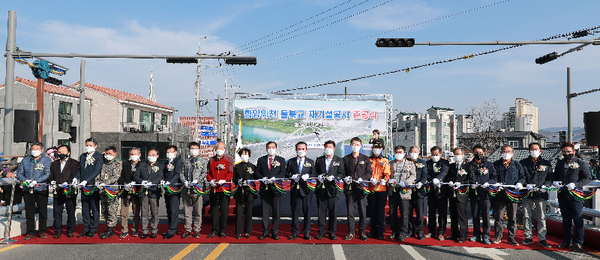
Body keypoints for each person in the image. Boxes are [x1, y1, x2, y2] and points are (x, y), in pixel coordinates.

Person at [555, 142, 592, 252]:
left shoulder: (580, 163)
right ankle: (566, 241)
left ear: (574, 152)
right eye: (564, 152)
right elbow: (556, 175)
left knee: (578, 220)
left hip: (576, 196)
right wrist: (556, 182)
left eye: (569, 152)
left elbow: (588, 178)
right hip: (563, 195)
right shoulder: (560, 163)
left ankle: (578, 243)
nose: (566, 154)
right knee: (566, 220)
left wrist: (576, 184)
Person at [14, 141, 52, 240]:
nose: (34, 151)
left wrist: (36, 181)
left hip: (41, 189)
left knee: (42, 211)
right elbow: (19, 172)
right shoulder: (25, 160)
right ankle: (30, 231)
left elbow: (47, 174)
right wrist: (25, 180)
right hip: (28, 189)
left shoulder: (46, 160)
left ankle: (42, 231)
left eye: (37, 149)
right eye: (33, 149)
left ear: (41, 150)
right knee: (29, 211)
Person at [520, 142, 553, 248]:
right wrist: (524, 184)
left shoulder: (546, 163)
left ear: (540, 150)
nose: (534, 151)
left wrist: (546, 186)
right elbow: (521, 176)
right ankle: (528, 237)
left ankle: (542, 238)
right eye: (532, 149)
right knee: (526, 216)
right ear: (529, 151)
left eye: (536, 149)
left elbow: (550, 178)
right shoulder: (523, 163)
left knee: (542, 216)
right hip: (527, 193)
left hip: (541, 193)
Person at [491, 145, 525, 246]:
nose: (506, 153)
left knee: (513, 217)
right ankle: (498, 236)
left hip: (513, 195)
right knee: (499, 216)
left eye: (509, 151)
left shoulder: (517, 164)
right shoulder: (496, 164)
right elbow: (492, 177)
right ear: (501, 153)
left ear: (512, 153)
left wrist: (520, 183)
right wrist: (495, 183)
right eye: (504, 151)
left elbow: (522, 177)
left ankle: (511, 237)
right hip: (500, 195)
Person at [343, 137, 373, 241]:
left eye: (357, 144)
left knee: (362, 211)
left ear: (360, 146)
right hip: (350, 189)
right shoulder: (345, 159)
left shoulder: (365, 158)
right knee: (350, 212)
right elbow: (342, 173)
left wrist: (363, 179)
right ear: (350, 145)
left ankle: (362, 231)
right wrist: (345, 178)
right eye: (353, 144)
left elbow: (369, 172)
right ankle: (351, 232)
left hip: (361, 188)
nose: (355, 146)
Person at [255, 141, 287, 240]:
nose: (271, 149)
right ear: (266, 149)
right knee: (265, 213)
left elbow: (283, 172)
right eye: (269, 147)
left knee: (276, 212)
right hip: (265, 189)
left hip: (276, 189)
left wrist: (275, 178)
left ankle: (274, 231)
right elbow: (257, 172)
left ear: (276, 149)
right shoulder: (261, 160)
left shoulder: (281, 160)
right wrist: (263, 178)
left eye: (273, 147)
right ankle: (265, 232)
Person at [314, 140, 345, 240]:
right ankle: (321, 231)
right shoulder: (319, 159)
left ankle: (332, 231)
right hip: (321, 189)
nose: (328, 148)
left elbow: (342, 173)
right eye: (326, 146)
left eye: (330, 147)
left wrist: (334, 177)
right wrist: (318, 176)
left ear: (334, 148)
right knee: (321, 212)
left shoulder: (339, 160)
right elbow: (315, 172)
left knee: (333, 212)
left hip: (333, 189)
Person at [286, 141, 317, 240]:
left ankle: (307, 232)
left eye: (303, 149)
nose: (301, 151)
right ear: (296, 150)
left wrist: (308, 176)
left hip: (307, 189)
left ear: (306, 150)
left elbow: (314, 174)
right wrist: (292, 176)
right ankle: (295, 231)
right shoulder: (291, 161)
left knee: (307, 211)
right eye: (299, 149)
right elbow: (286, 174)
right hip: (295, 189)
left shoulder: (311, 161)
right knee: (295, 211)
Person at [76, 138, 104, 238]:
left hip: (93, 185)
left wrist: (87, 180)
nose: (88, 147)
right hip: (83, 186)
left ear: (95, 146)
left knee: (94, 207)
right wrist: (76, 178)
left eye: (90, 145)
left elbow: (97, 170)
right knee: (85, 207)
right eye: (87, 145)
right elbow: (80, 169)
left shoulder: (99, 156)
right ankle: (86, 227)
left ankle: (93, 228)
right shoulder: (83, 156)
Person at [133, 148, 164, 239]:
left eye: (153, 155)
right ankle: (144, 230)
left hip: (154, 191)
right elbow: (136, 175)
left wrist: (152, 183)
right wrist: (142, 182)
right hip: (143, 191)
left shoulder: (160, 166)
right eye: (150, 155)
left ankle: (154, 230)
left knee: (154, 212)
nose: (151, 157)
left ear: (157, 156)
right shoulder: (143, 165)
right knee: (144, 212)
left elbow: (160, 176)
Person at [49, 145, 78, 239]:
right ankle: (57, 230)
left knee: (70, 211)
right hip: (57, 191)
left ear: (68, 152)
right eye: (59, 152)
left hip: (69, 191)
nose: (61, 153)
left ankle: (70, 230)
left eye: (63, 151)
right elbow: (51, 175)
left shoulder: (74, 163)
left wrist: (68, 183)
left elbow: (74, 175)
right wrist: (52, 181)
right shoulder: (54, 164)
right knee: (57, 212)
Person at [180, 142, 208, 239]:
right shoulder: (185, 161)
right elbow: (181, 173)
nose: (194, 150)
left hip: (197, 189)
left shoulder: (203, 161)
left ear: (199, 150)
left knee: (198, 212)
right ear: (189, 150)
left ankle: (197, 230)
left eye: (196, 148)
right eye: (192, 148)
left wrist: (197, 180)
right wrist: (185, 182)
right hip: (186, 189)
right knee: (187, 212)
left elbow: (204, 173)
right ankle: (187, 230)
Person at [469, 144, 496, 245]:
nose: (478, 154)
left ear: (484, 154)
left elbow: (494, 177)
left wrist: (489, 183)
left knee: (486, 216)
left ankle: (486, 235)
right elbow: (465, 177)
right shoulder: (469, 165)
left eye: (480, 153)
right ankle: (476, 234)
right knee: (475, 215)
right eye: (476, 153)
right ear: (473, 153)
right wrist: (470, 184)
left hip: (486, 195)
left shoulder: (489, 165)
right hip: (474, 194)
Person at [387, 145, 415, 241]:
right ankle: (394, 231)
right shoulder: (390, 163)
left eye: (400, 152)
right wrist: (388, 180)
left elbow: (413, 176)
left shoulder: (410, 164)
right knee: (392, 212)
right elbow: (385, 174)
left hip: (404, 191)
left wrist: (406, 182)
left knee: (404, 213)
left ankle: (402, 232)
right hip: (393, 190)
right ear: (394, 153)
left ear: (404, 153)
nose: (398, 154)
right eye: (397, 152)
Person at [447, 148, 474, 243]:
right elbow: (449, 176)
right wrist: (450, 181)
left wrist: (461, 183)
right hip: (452, 193)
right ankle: (454, 233)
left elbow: (471, 179)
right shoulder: (451, 166)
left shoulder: (468, 166)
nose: (456, 156)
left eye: (458, 154)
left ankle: (463, 234)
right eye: (455, 154)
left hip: (462, 193)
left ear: (463, 155)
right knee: (453, 214)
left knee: (462, 215)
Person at [206, 141, 233, 238]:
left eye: (221, 148)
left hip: (224, 188)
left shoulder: (229, 159)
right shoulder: (212, 160)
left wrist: (224, 180)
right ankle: (214, 230)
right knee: (214, 211)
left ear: (224, 149)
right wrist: (210, 180)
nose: (219, 150)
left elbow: (231, 173)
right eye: (218, 148)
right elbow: (208, 173)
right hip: (214, 189)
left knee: (224, 211)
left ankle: (222, 231)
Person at [97, 146, 122, 239]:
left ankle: (111, 228)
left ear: (115, 154)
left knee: (112, 209)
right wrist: (98, 182)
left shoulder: (117, 163)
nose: (108, 156)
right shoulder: (103, 163)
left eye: (110, 154)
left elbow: (116, 176)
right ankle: (108, 227)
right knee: (104, 210)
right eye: (106, 154)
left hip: (112, 190)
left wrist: (105, 183)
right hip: (102, 190)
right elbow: (99, 174)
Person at [367, 143, 391, 240]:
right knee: (372, 210)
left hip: (381, 189)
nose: (376, 150)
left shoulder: (385, 160)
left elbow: (387, 173)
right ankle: (373, 229)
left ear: (381, 149)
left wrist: (385, 179)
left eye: (378, 148)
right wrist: (370, 178)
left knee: (380, 211)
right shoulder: (368, 160)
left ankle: (381, 230)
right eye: (374, 148)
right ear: (372, 149)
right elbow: (366, 172)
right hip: (371, 188)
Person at [426, 146, 450, 241]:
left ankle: (441, 232)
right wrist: (431, 179)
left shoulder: (444, 163)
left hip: (441, 191)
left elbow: (444, 172)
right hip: (431, 190)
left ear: (440, 154)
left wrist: (438, 179)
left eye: (436, 154)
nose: (434, 156)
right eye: (433, 154)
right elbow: (426, 173)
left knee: (442, 213)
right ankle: (431, 230)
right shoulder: (428, 163)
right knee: (431, 212)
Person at [233, 147, 257, 239]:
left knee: (248, 212)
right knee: (239, 213)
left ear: (249, 156)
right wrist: (238, 181)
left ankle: (247, 231)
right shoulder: (236, 166)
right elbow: (234, 179)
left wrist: (249, 182)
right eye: (243, 154)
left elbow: (255, 178)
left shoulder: (253, 166)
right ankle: (238, 232)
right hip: (239, 191)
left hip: (249, 192)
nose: (245, 156)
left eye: (246, 154)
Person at [119, 147, 142, 238]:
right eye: (132, 154)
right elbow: (120, 177)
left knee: (136, 212)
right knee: (124, 212)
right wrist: (125, 184)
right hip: (126, 191)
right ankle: (124, 230)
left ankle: (135, 229)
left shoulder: (142, 165)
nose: (134, 156)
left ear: (139, 155)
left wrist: (136, 184)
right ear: (129, 155)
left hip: (136, 191)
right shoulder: (125, 164)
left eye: (135, 154)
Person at [407, 146, 428, 240]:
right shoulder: (406, 162)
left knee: (420, 213)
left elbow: (425, 175)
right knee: (408, 212)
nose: (413, 153)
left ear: (418, 152)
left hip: (419, 191)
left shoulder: (422, 162)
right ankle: (410, 231)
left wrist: (421, 182)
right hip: (408, 190)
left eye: (415, 151)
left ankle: (419, 231)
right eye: (412, 151)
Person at [162, 145, 183, 239]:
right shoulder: (166, 162)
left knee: (174, 210)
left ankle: (172, 230)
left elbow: (177, 174)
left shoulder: (178, 161)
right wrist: (162, 180)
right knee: (169, 209)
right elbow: (163, 173)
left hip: (174, 188)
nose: (169, 154)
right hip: (166, 188)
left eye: (171, 152)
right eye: (167, 152)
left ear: (175, 153)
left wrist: (169, 182)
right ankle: (171, 227)